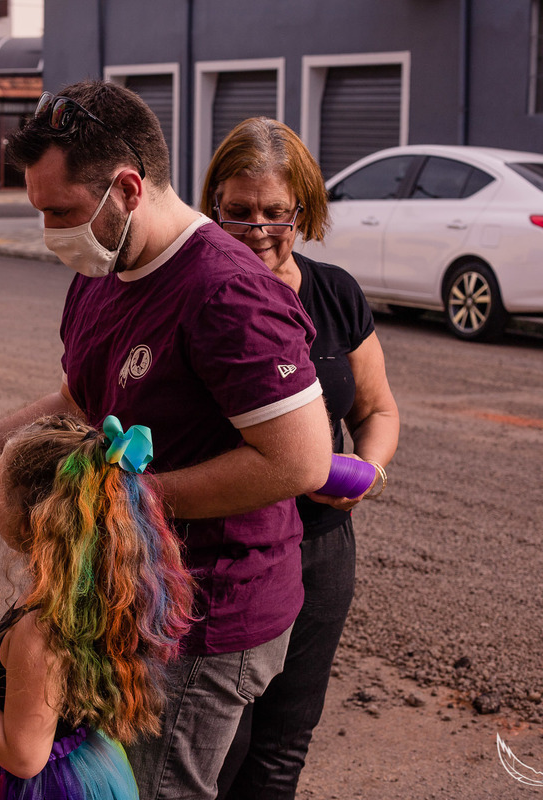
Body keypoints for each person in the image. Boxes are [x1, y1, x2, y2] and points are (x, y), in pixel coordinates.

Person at [0, 80, 333, 799]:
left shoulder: (226, 292)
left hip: (204, 619)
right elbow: (79, 399)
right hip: (126, 600)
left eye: (61, 210)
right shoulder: (103, 270)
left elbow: (299, 460)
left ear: (126, 188)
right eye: (39, 210)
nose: (50, 230)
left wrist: (117, 497)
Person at [199, 117, 400, 800]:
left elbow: (375, 410)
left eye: (275, 213)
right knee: (219, 744)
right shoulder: (203, 295)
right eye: (238, 212)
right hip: (226, 556)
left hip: (319, 549)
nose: (257, 228)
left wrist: (368, 469)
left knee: (284, 745)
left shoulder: (336, 293)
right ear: (212, 206)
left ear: (303, 211)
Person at [0, 414, 194, 799]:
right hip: (81, 766)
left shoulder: (40, 626)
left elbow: (24, 757)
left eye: (0, 490)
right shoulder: (70, 593)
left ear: (33, 518)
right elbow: (29, 688)